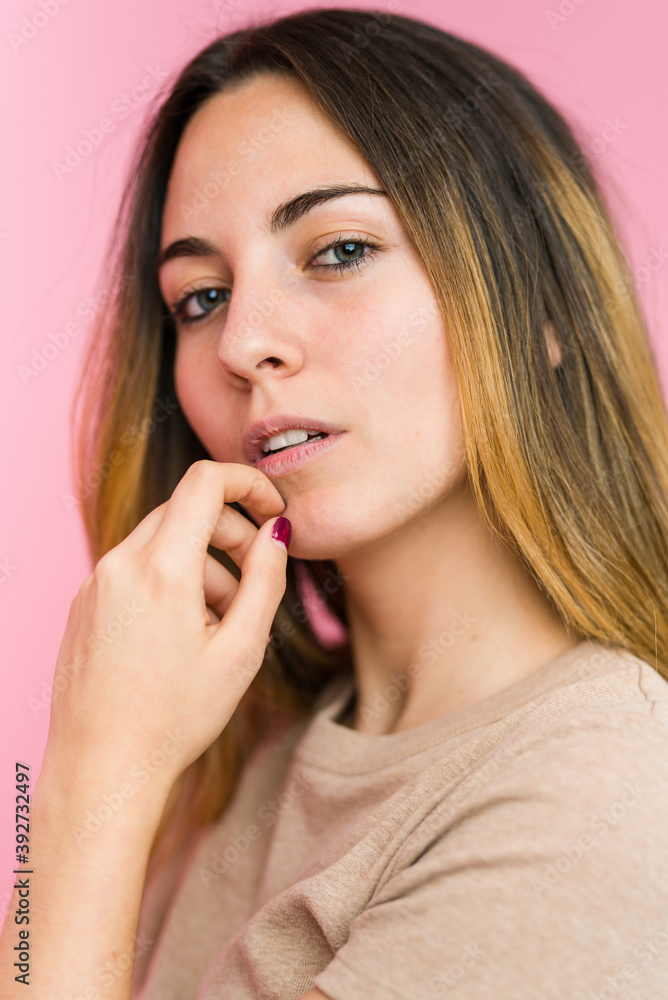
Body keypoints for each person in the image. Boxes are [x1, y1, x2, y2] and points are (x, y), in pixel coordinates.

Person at [2, 7, 668, 998]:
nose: (242, 344)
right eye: (200, 297)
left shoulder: (596, 792)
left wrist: (89, 784)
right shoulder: (237, 755)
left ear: (540, 305)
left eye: (339, 250)